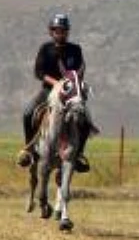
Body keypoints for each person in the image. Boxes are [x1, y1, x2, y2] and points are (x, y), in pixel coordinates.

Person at [17, 13, 89, 171]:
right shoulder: (45, 49)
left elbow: (79, 71)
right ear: (52, 32)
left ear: (67, 32)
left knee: (85, 119)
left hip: (69, 93)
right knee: (28, 113)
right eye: (57, 30)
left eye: (63, 31)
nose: (60, 33)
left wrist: (70, 85)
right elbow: (39, 72)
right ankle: (29, 150)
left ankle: (78, 155)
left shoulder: (75, 50)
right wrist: (57, 84)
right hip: (48, 91)